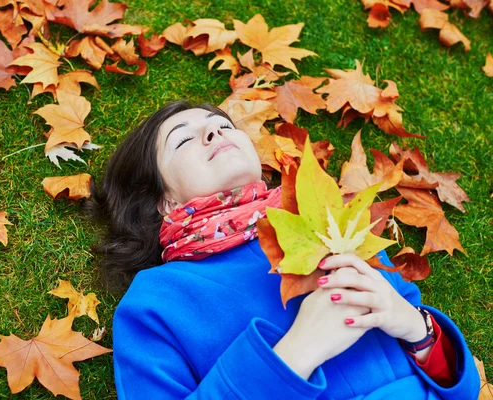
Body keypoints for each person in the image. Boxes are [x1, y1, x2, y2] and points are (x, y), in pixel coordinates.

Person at [85, 100, 480, 399]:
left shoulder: (331, 220)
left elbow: (460, 390)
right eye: (184, 139)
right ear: (164, 203)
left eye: (223, 125)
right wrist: (295, 352)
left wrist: (417, 328)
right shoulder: (155, 302)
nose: (216, 133)